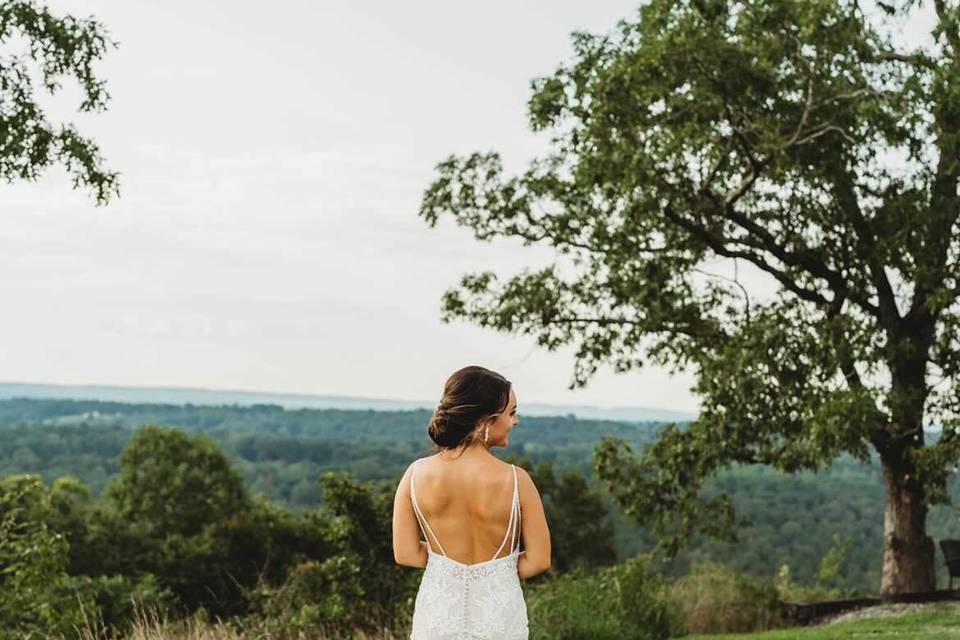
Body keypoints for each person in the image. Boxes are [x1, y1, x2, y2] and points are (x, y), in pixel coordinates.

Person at [392, 365, 551, 639]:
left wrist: (449, 568)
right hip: (500, 617)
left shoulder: (416, 474)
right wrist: (496, 574)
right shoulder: (517, 480)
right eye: (511, 413)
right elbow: (538, 561)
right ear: (484, 421)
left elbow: (406, 554)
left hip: (438, 617)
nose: (516, 421)